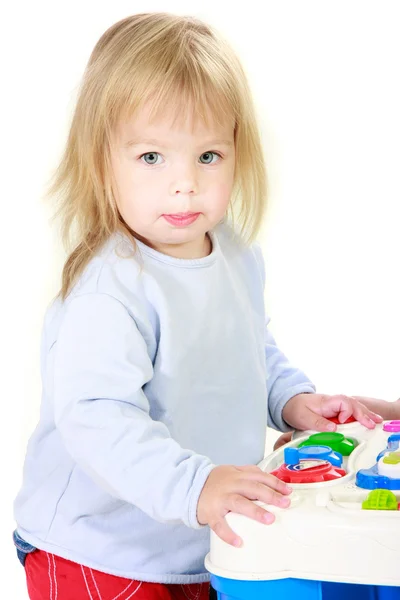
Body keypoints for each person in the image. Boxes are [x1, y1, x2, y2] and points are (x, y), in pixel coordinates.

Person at [13, 12, 392, 600]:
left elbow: (250, 351)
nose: (184, 183)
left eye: (208, 156)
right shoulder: (108, 290)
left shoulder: (235, 256)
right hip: (101, 549)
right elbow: (98, 420)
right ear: (101, 159)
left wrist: (291, 400)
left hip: (199, 536)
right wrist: (196, 485)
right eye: (151, 158)